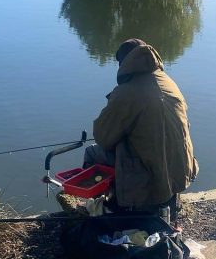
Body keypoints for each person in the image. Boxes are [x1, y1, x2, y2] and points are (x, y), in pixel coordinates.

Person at [84, 38, 198, 221]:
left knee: (92, 153)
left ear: (124, 63)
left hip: (151, 173)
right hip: (180, 170)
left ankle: (110, 209)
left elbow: (102, 137)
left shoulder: (127, 92)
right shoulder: (168, 82)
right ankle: (165, 205)